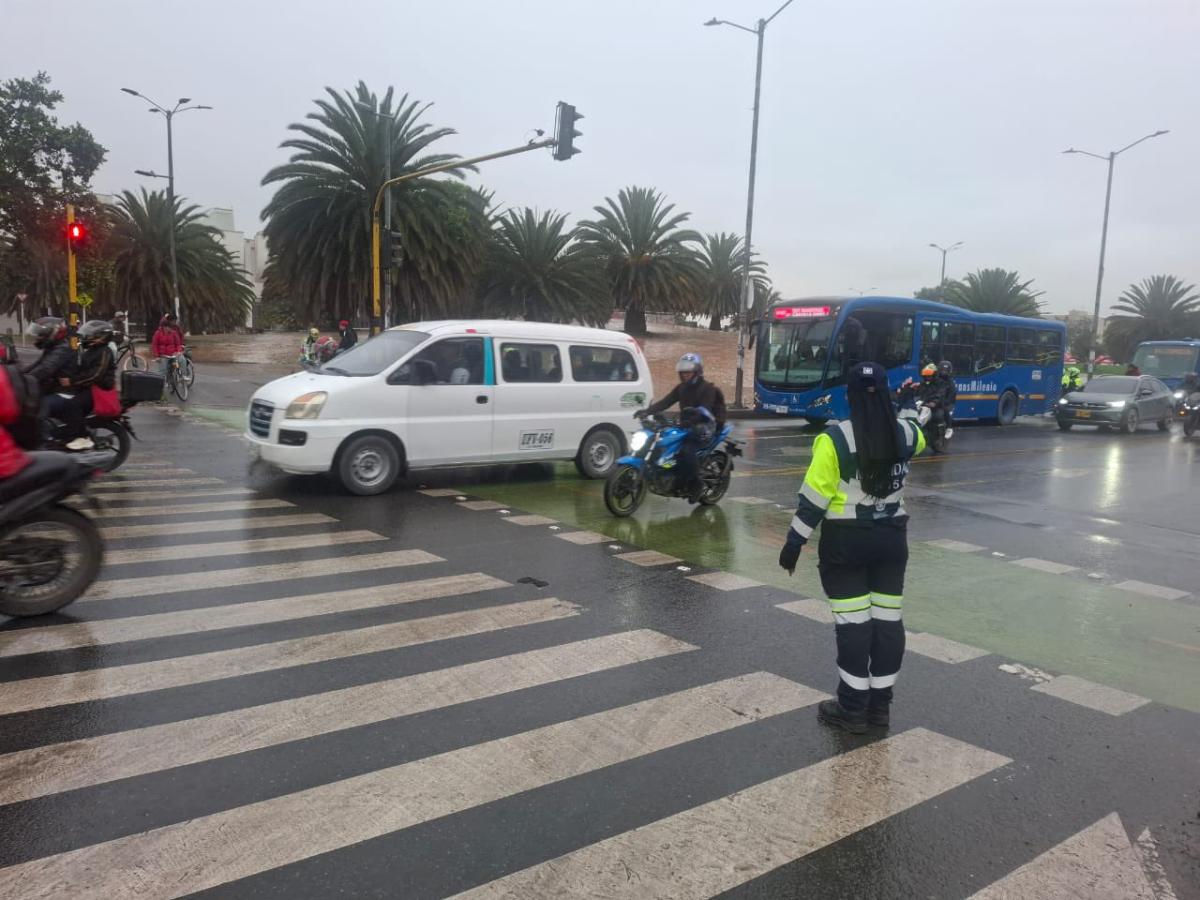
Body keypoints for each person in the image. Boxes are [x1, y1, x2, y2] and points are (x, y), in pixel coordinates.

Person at [778, 361, 926, 733]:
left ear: (850, 395)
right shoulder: (906, 434)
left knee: (854, 626)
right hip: (891, 542)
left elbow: (814, 499)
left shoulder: (836, 439)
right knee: (888, 623)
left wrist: (794, 543)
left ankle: (852, 709)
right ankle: (880, 709)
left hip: (847, 547)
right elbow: (917, 431)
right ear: (886, 393)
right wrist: (907, 404)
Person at [641, 353, 727, 502]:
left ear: (697, 372)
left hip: (705, 428)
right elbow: (665, 402)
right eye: (683, 372)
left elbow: (705, 410)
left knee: (686, 450)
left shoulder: (707, 389)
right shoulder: (681, 388)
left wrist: (692, 421)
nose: (685, 375)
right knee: (665, 442)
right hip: (686, 426)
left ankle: (696, 484)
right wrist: (646, 412)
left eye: (688, 372)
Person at [53, 319, 117, 450]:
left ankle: (77, 438)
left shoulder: (105, 351)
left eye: (90, 335)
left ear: (101, 336)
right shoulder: (91, 351)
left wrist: (72, 381)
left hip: (99, 389)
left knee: (73, 405)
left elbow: (95, 375)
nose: (87, 337)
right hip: (87, 386)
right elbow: (79, 367)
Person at [22, 318, 75, 397]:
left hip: (64, 392)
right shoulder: (53, 346)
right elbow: (37, 364)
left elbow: (45, 369)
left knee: (36, 403)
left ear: (53, 332)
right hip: (52, 387)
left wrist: (25, 380)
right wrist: (17, 374)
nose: (37, 337)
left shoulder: (63, 348)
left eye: (41, 334)